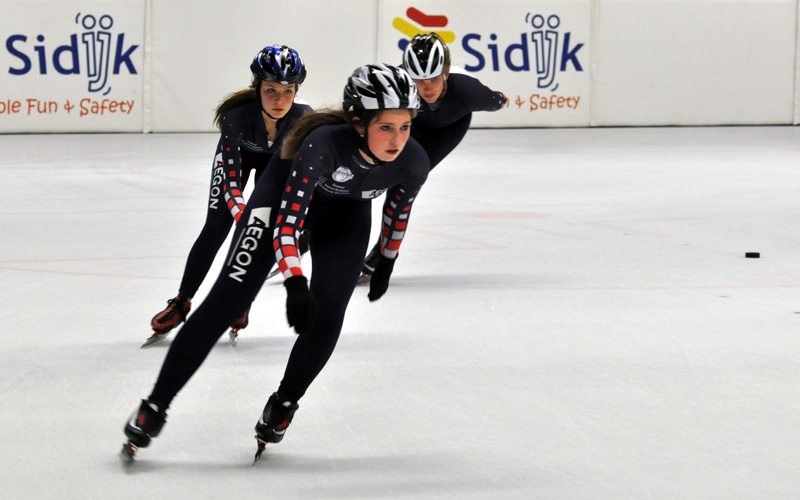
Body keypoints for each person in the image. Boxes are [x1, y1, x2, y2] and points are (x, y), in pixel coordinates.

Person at [121, 64, 428, 462]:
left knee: (330, 311)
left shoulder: (414, 161)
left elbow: (398, 212)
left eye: (405, 127)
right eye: (386, 127)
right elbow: (287, 223)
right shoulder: (321, 143)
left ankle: (284, 403)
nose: (397, 139)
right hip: (277, 200)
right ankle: (156, 405)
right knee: (226, 302)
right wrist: (294, 282)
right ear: (358, 121)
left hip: (345, 214)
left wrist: (386, 258)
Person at [143, 45, 312, 348]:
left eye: (288, 91)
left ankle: (241, 296)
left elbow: (305, 179)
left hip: (275, 165)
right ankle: (182, 301)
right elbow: (232, 186)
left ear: (297, 90)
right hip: (239, 159)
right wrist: (242, 215)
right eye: (271, 90)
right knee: (218, 225)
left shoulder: (304, 119)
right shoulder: (237, 117)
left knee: (261, 232)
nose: (279, 99)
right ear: (257, 87)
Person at [361, 32, 507, 277]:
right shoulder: (395, 84)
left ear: (446, 74)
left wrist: (500, 99)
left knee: (403, 182)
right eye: (418, 80)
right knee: (363, 170)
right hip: (408, 123)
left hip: (447, 130)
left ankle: (384, 252)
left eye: (434, 79)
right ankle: (316, 233)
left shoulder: (470, 91)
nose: (427, 87)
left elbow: (497, 100)